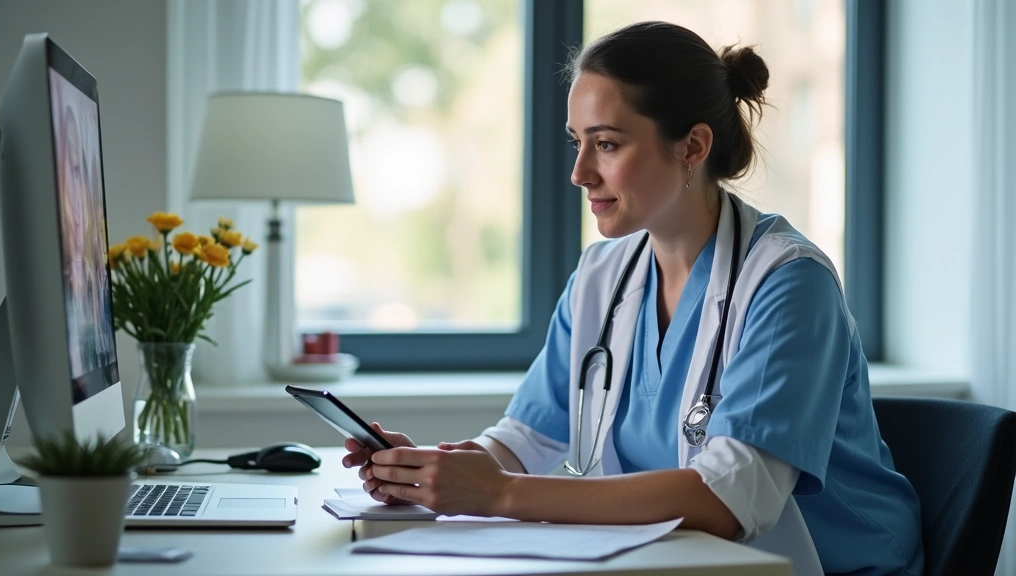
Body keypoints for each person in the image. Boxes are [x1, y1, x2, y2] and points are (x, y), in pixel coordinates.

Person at [342, 21, 923, 575]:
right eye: (577, 142)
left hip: (824, 565)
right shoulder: (601, 277)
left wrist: (500, 494)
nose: (579, 173)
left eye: (608, 144)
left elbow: (730, 497)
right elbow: (534, 435)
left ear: (693, 146)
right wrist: (432, 470)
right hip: (673, 561)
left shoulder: (788, 282)